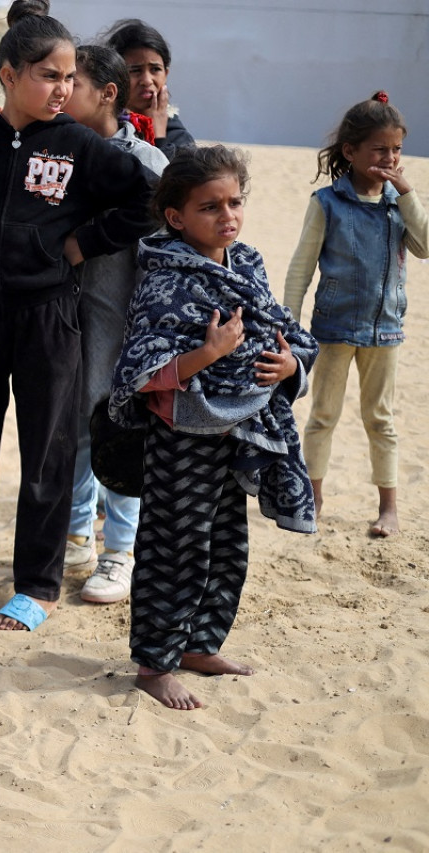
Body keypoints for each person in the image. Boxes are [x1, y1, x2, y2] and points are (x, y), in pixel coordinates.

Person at [0, 15, 154, 631]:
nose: (63, 88)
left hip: (48, 315)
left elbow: (151, 198)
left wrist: (84, 241)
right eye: (49, 76)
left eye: (70, 77)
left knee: (48, 451)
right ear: (9, 75)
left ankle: (39, 585)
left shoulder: (79, 145)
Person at [108, 145, 317, 710]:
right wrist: (209, 353)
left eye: (235, 202)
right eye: (210, 207)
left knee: (227, 545)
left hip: (241, 429)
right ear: (176, 217)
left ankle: (201, 645)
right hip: (182, 436)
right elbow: (142, 369)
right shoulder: (165, 275)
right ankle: (155, 664)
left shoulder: (245, 262)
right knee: (174, 547)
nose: (227, 216)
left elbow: (283, 326)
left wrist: (290, 364)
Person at [284, 92, 428, 538]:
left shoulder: (396, 203)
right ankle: (315, 497)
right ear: (351, 151)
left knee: (380, 419)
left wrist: (407, 194)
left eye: (397, 149)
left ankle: (388, 507)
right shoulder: (326, 203)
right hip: (332, 327)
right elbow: (300, 268)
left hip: (386, 329)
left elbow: (424, 246)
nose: (390, 158)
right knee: (323, 415)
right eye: (380, 149)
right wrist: (289, 323)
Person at [60, 44, 169, 603]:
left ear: (106, 93)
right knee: (72, 434)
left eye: (71, 82)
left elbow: (167, 264)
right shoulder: (53, 154)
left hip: (122, 332)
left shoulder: (147, 165)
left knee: (120, 435)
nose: (60, 91)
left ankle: (119, 553)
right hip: (64, 329)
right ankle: (76, 536)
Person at [102, 18, 194, 161]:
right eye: (135, 70)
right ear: (116, 76)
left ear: (166, 74)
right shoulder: (103, 127)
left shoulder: (179, 138)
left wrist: (158, 136)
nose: (146, 80)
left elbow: (172, 182)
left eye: (155, 69)